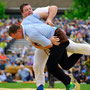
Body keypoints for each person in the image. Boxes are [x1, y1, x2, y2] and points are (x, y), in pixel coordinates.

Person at [18, 4, 90, 90]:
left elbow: (54, 7)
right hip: (44, 45)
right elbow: (34, 43)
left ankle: (68, 82)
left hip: (56, 39)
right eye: (26, 10)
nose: (29, 10)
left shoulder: (36, 12)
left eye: (30, 8)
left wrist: (49, 18)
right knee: (37, 66)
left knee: (76, 48)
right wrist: (48, 41)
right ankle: (40, 86)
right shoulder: (23, 25)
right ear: (22, 14)